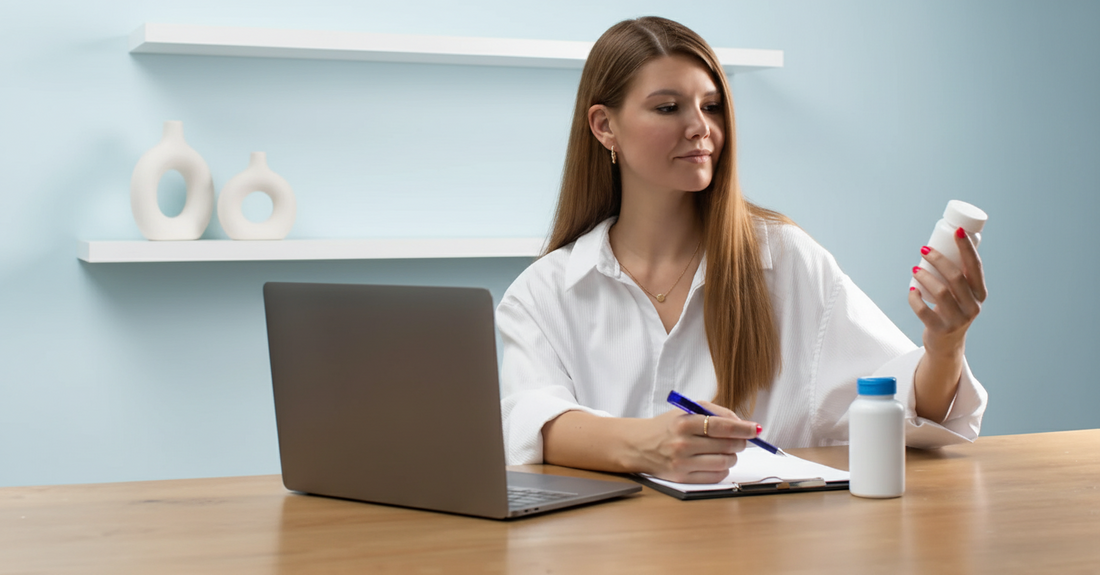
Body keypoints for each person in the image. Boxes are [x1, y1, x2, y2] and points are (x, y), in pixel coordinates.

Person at [496, 16, 988, 484]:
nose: (700, 127)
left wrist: (944, 346)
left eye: (711, 106)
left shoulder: (787, 260)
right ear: (605, 126)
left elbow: (901, 407)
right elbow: (530, 423)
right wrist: (650, 443)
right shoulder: (543, 294)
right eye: (668, 108)